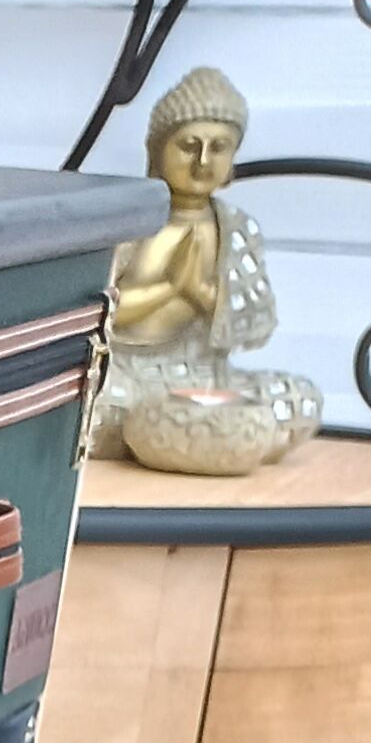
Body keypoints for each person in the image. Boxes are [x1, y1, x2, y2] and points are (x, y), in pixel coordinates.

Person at [89, 63, 321, 470]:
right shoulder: (133, 222)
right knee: (88, 406)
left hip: (204, 378)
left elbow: (254, 323)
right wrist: (170, 287)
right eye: (188, 145)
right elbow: (96, 314)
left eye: (218, 148)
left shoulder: (236, 229)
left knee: (298, 399)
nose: (202, 161)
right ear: (157, 151)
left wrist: (199, 293)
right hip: (124, 374)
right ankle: (212, 442)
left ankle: (172, 437)